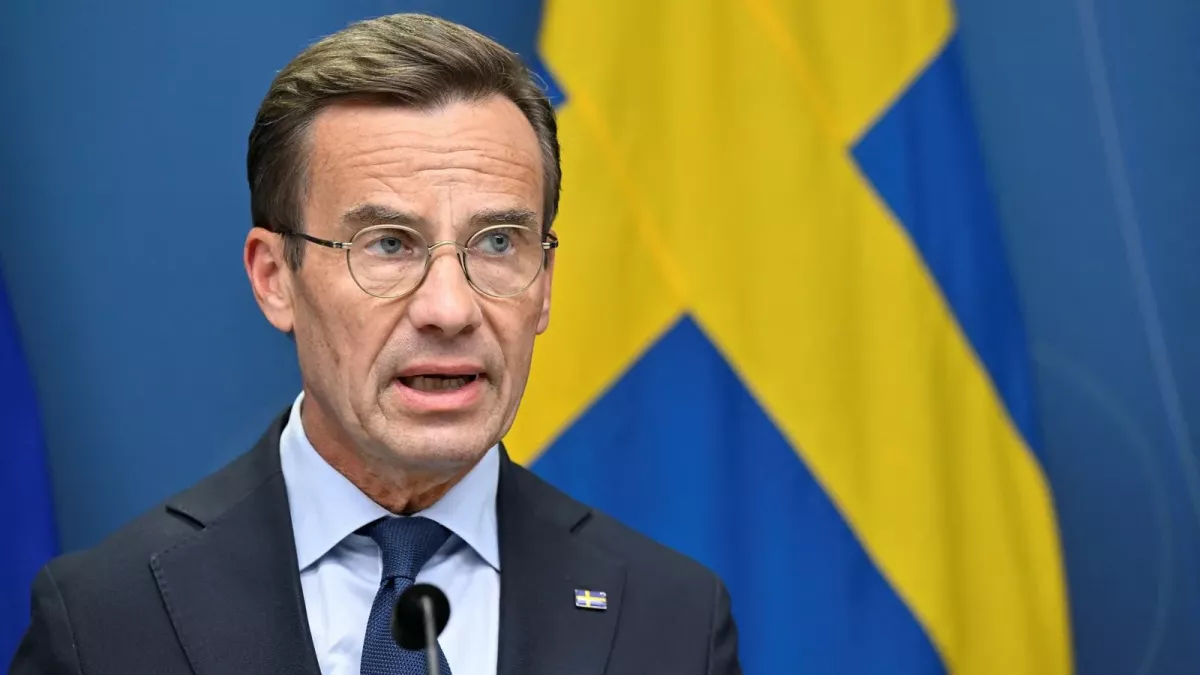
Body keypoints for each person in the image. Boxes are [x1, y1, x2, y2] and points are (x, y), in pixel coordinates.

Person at [9, 12, 740, 675]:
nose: (450, 309)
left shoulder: (671, 620)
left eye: (497, 242)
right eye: (389, 243)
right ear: (275, 278)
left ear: (544, 284)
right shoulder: (104, 620)